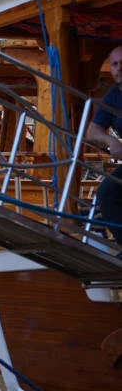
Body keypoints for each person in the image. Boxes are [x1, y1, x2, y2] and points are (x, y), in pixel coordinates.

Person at [86, 45, 122, 253]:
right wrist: (111, 141)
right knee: (107, 192)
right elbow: (92, 131)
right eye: (115, 64)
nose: (119, 68)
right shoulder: (112, 96)